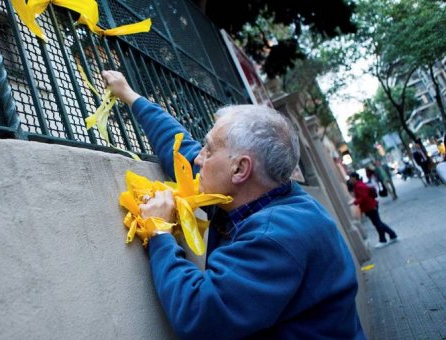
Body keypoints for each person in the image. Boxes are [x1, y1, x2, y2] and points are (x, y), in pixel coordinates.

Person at [102, 70, 365, 339]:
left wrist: (159, 233)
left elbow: (201, 315)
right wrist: (130, 95)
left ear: (240, 168)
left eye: (209, 149)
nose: (198, 159)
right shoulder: (247, 193)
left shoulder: (275, 236)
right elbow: (180, 148)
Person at [348, 172, 398, 249]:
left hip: (370, 207)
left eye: (351, 178)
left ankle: (392, 235)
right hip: (370, 206)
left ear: (354, 178)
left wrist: (354, 202)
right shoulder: (358, 185)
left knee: (378, 223)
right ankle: (383, 239)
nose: (350, 179)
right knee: (377, 223)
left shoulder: (359, 186)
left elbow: (363, 197)